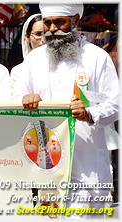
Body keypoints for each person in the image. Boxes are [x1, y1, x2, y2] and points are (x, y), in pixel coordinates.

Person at [12, 2, 119, 216]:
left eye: (59, 22)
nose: (52, 29)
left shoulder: (97, 57)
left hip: (88, 167)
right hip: (49, 167)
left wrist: (89, 114)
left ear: (76, 21)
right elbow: (15, 99)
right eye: (48, 23)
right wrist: (26, 99)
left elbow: (115, 104)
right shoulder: (34, 59)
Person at [10, 14, 45, 94]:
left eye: (46, 34)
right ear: (27, 37)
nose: (43, 40)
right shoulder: (18, 71)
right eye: (38, 34)